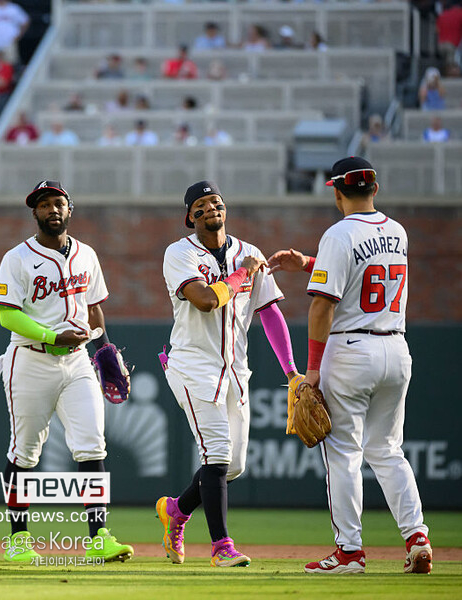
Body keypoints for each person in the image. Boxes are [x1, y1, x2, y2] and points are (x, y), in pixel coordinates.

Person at [267, 157, 432, 575]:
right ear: (374, 189)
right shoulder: (398, 231)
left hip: (351, 349)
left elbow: (323, 306)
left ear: (337, 192)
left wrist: (313, 371)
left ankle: (350, 552)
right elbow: (366, 270)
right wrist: (307, 263)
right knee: (388, 450)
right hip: (395, 348)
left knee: (343, 454)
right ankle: (417, 538)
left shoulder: (338, 234)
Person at [0, 180, 135, 563]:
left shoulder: (86, 254)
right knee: (25, 452)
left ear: (70, 209)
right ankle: (19, 540)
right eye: (43, 204)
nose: (52, 209)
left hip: (77, 361)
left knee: (92, 444)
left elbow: (94, 307)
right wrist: (52, 334)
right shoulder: (17, 257)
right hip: (30, 359)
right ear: (33, 213)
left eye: (58, 203)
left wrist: (105, 349)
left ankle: (99, 536)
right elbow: (7, 314)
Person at [156, 181, 298, 568]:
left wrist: (292, 373)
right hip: (191, 365)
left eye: (216, 202)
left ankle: (176, 511)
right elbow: (204, 300)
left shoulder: (248, 253)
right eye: (201, 205)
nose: (211, 208)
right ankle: (222, 547)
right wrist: (240, 277)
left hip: (235, 368)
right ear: (190, 217)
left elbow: (269, 312)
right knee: (216, 451)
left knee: (233, 466)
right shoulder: (179, 253)